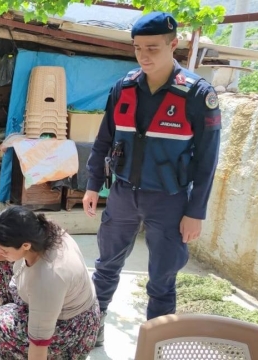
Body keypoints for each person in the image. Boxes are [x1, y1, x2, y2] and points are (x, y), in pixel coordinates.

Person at [82, 12, 222, 347]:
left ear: (174, 45)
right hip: (122, 194)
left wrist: (196, 211)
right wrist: (91, 184)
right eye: (137, 48)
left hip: (170, 201)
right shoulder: (124, 88)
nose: (144, 55)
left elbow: (207, 161)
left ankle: (155, 346)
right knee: (105, 268)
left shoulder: (198, 95)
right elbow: (103, 140)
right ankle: (92, 330)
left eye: (153, 48)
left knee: (162, 280)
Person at [0, 206, 100, 359]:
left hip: (69, 328)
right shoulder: (42, 231)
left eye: (3, 249)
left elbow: (40, 343)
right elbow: (8, 253)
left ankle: (9, 341)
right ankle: (10, 332)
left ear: (26, 245)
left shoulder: (48, 279)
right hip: (51, 303)